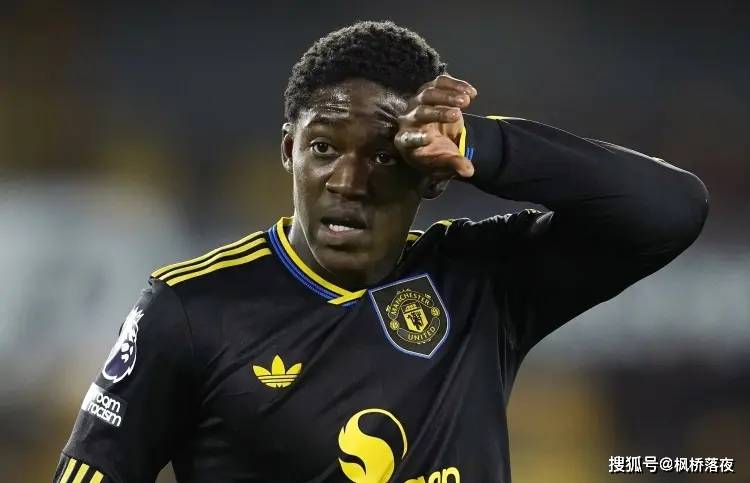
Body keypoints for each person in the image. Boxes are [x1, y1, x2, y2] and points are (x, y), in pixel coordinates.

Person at [53, 20, 709, 483]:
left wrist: (483, 145)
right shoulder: (192, 308)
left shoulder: (481, 283)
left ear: (432, 175)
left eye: (385, 155)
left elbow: (671, 209)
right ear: (288, 151)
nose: (347, 181)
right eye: (323, 148)